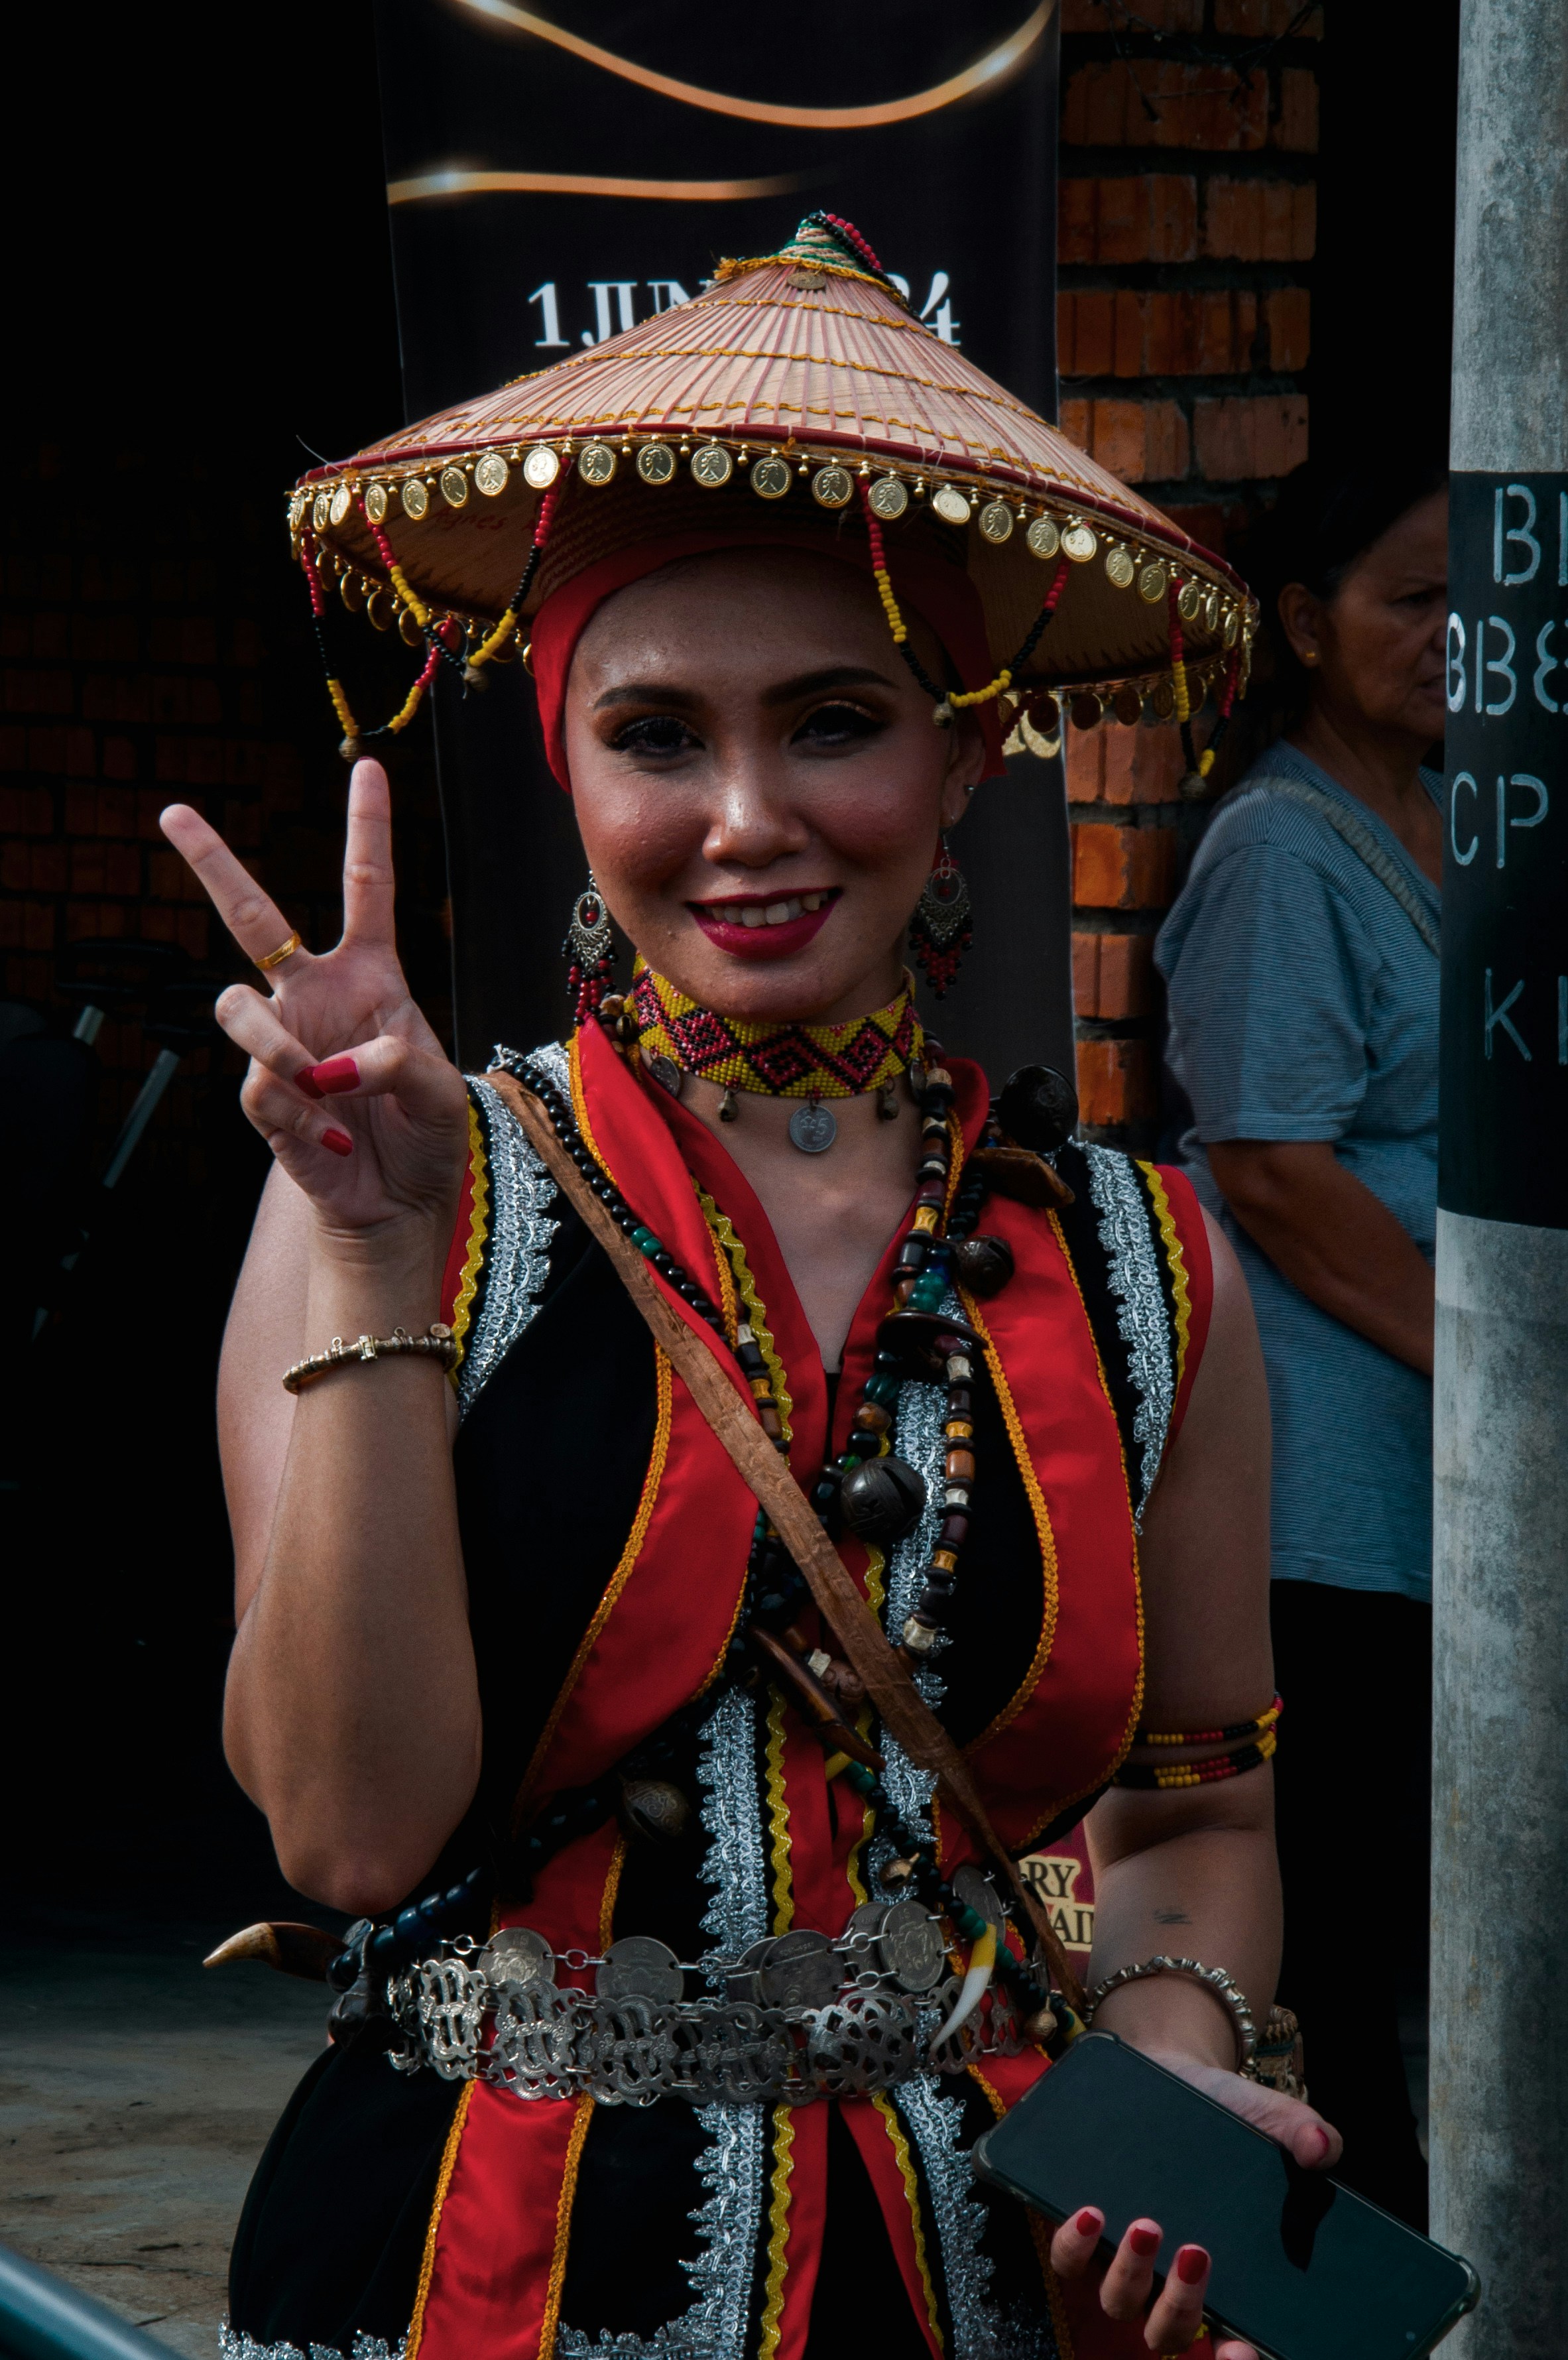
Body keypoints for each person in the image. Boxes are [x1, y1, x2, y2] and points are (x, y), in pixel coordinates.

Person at [168, 216, 1337, 2360]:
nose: (744, 819)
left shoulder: (1152, 1267)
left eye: (833, 724)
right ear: (567, 769)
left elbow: (1197, 1809)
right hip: (462, 2275)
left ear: (969, 756)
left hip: (984, 2275)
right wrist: (365, 1239)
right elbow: (346, 1832)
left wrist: (1174, 2049)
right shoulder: (419, 1182)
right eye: (655, 736)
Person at [1155, 452, 1446, 2227]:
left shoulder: (1444, 814)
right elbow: (1268, 1158)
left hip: (1417, 1490)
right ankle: (1357, 2275)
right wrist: (1494, 1380)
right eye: (1413, 598)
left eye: (1482, 600)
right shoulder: (1280, 845)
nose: (1456, 636)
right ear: (1304, 623)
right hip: (1324, 1490)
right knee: (1335, 1944)